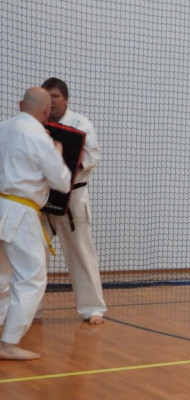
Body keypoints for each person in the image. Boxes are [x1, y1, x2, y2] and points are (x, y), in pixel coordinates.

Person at [0, 87, 72, 360]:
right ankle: (8, 344)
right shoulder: (39, 136)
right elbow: (62, 182)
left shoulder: (3, 128)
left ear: (21, 104)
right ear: (46, 112)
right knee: (31, 278)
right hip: (20, 211)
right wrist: (58, 150)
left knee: (2, 275)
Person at [40, 78, 106, 325]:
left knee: (81, 253)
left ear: (66, 99)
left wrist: (66, 166)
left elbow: (92, 157)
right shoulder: (37, 124)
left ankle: (93, 308)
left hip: (73, 197)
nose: (51, 102)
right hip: (41, 198)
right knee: (35, 255)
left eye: (55, 96)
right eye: (47, 97)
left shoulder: (80, 123)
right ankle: (30, 309)